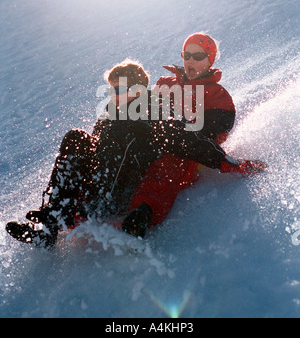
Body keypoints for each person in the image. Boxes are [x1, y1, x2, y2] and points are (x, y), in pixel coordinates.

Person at [6, 58, 266, 248]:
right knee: (76, 137)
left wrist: (228, 163)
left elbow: (185, 140)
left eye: (118, 90)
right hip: (96, 186)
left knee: (124, 128)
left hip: (118, 193)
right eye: (111, 90)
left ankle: (86, 208)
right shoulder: (109, 117)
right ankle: (49, 227)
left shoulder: (154, 112)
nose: (113, 95)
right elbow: (92, 154)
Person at [126, 33, 250, 231]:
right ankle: (64, 209)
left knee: (171, 157)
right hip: (148, 144)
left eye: (198, 56)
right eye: (187, 55)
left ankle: (143, 213)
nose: (190, 60)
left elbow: (208, 137)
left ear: (210, 60)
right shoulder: (165, 83)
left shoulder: (218, 96)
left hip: (185, 154)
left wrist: (174, 125)